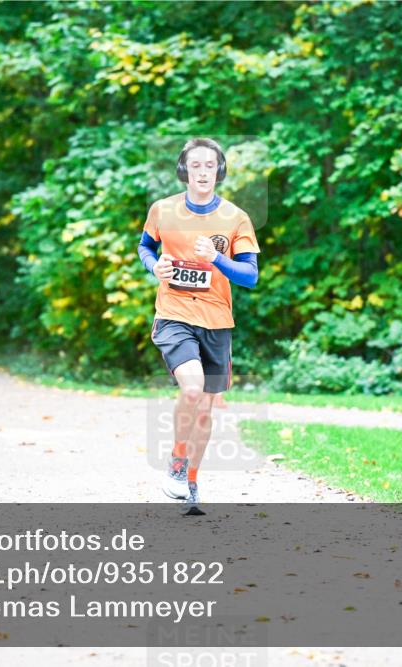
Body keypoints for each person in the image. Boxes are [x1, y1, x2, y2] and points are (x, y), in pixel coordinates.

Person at [138, 138, 260, 515]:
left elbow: (251, 276)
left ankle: (190, 481)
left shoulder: (236, 218)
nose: (203, 172)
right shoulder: (163, 210)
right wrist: (152, 266)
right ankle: (176, 461)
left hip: (217, 321)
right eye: (196, 166)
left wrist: (219, 260)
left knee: (206, 411)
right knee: (191, 390)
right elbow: (146, 247)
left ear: (219, 171)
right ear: (185, 171)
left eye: (210, 166)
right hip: (174, 314)